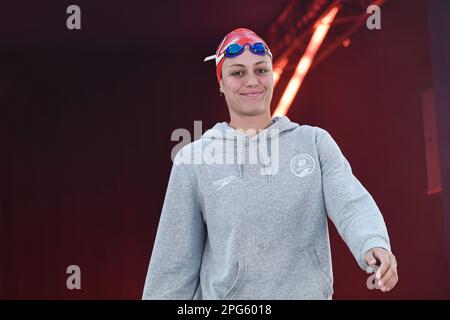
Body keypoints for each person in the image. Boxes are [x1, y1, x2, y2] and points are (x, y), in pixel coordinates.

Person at [142, 28, 398, 300]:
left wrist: (373, 243)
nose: (252, 81)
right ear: (220, 83)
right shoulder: (194, 160)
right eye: (238, 73)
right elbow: (172, 264)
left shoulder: (314, 142)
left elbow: (352, 204)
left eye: (261, 70)